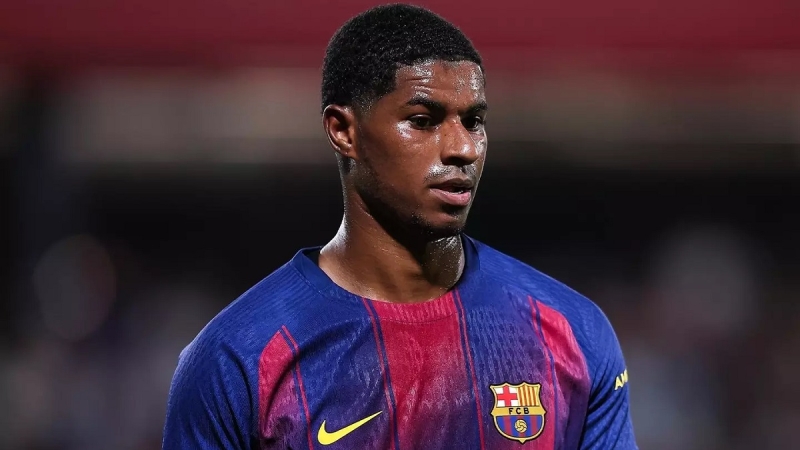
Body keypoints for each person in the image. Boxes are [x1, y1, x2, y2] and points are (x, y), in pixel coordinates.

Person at [162, 4, 637, 449]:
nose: (462, 148)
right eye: (423, 120)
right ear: (343, 131)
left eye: (473, 121)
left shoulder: (573, 332)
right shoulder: (237, 358)